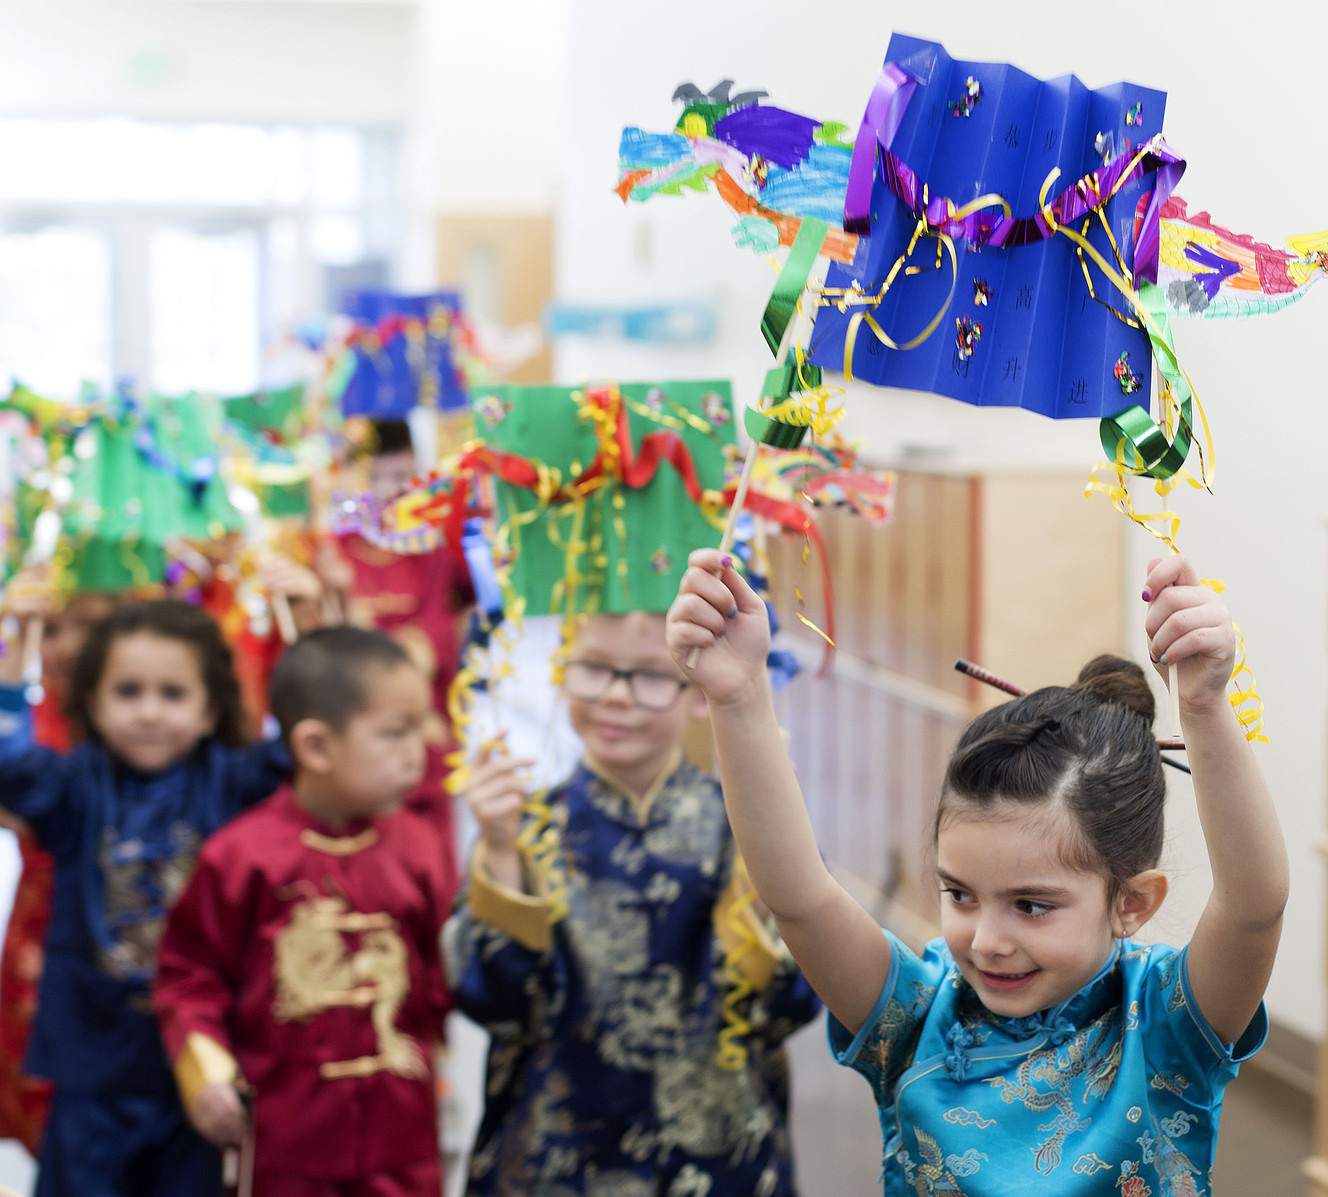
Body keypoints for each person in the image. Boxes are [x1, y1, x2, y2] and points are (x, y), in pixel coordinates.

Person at [666, 550, 1287, 1195]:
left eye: (1032, 905)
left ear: (1131, 903)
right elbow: (799, 897)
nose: (987, 939)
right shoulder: (915, 1015)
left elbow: (1253, 908)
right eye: (959, 894)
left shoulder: (1164, 1024)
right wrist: (738, 696)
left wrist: (1207, 707)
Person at [443, 610, 821, 1195]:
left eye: (647, 676)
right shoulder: (522, 825)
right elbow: (498, 1005)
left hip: (720, 1156)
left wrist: (770, 863)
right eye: (593, 669)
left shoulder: (740, 826)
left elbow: (787, 1009)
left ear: (697, 693)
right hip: (552, 1159)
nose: (616, 697)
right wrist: (496, 849)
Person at [0, 598, 291, 1197]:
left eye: (173, 694)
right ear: (92, 703)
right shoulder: (75, 785)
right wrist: (15, 650)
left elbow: (302, 745)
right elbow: (9, 764)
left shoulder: (234, 782)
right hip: (93, 1062)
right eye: (128, 692)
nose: (151, 713)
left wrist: (303, 627)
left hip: (202, 1062)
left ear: (212, 708)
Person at [154, 626, 454, 1197]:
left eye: (421, 728)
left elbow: (441, 976)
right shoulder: (242, 856)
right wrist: (205, 1075)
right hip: (283, 1145)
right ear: (316, 746)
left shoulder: (419, 845)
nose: (420, 752)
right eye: (396, 733)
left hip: (402, 1139)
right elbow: (187, 976)